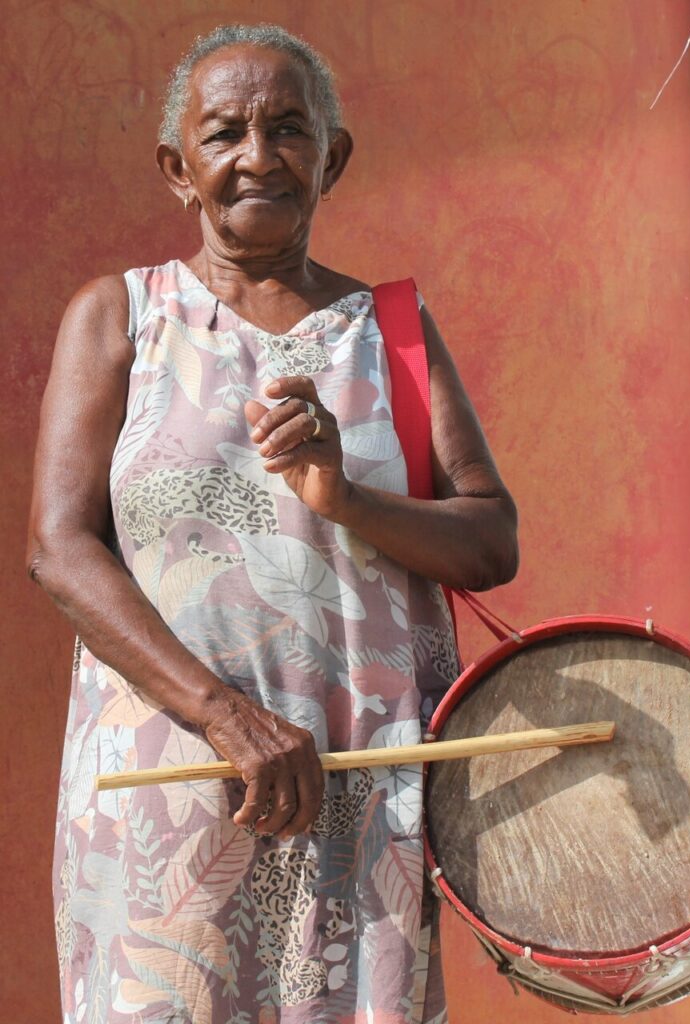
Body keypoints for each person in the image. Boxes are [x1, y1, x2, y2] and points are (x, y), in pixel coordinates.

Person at [28, 23, 518, 1024]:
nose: (259, 157)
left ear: (331, 157)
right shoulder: (119, 319)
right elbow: (59, 549)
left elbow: (489, 541)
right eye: (225, 134)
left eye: (289, 129)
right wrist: (226, 717)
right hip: (171, 798)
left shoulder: (391, 335)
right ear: (179, 167)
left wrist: (344, 496)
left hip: (362, 802)